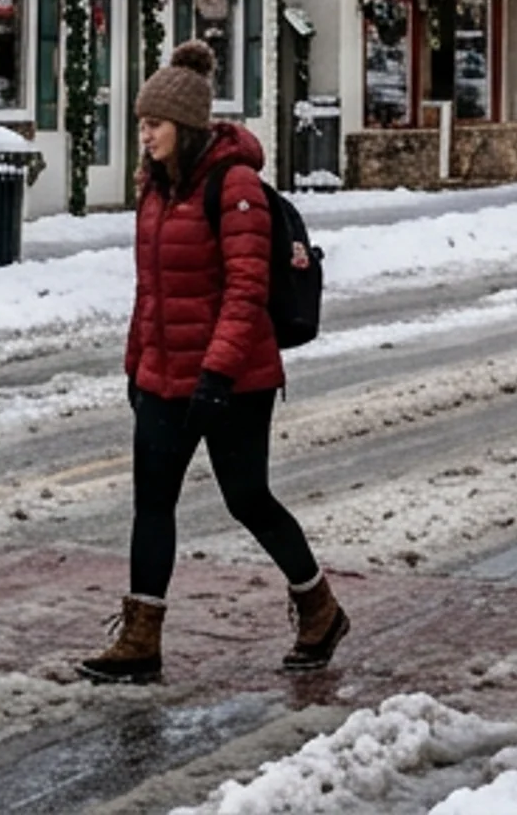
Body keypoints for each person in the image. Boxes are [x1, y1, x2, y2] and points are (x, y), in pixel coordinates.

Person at [78, 41, 345, 684]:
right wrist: (136, 365)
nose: (144, 135)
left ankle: (319, 606)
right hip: (164, 375)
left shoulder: (236, 185)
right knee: (152, 504)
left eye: (155, 124)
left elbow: (247, 289)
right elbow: (153, 290)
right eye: (142, 123)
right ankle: (140, 639)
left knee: (248, 498)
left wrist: (219, 373)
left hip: (235, 379)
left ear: (189, 128)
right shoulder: (155, 190)